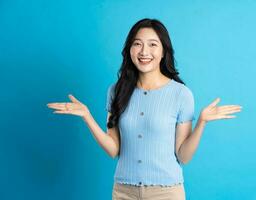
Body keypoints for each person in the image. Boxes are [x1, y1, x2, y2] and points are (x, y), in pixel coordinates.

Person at [47, 18, 242, 200]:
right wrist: (87, 116)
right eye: (137, 43)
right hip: (124, 191)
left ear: (164, 51)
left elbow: (183, 156)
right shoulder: (116, 91)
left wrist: (201, 123)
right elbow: (114, 149)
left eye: (152, 44)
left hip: (166, 193)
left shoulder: (181, 94)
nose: (144, 51)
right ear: (129, 49)